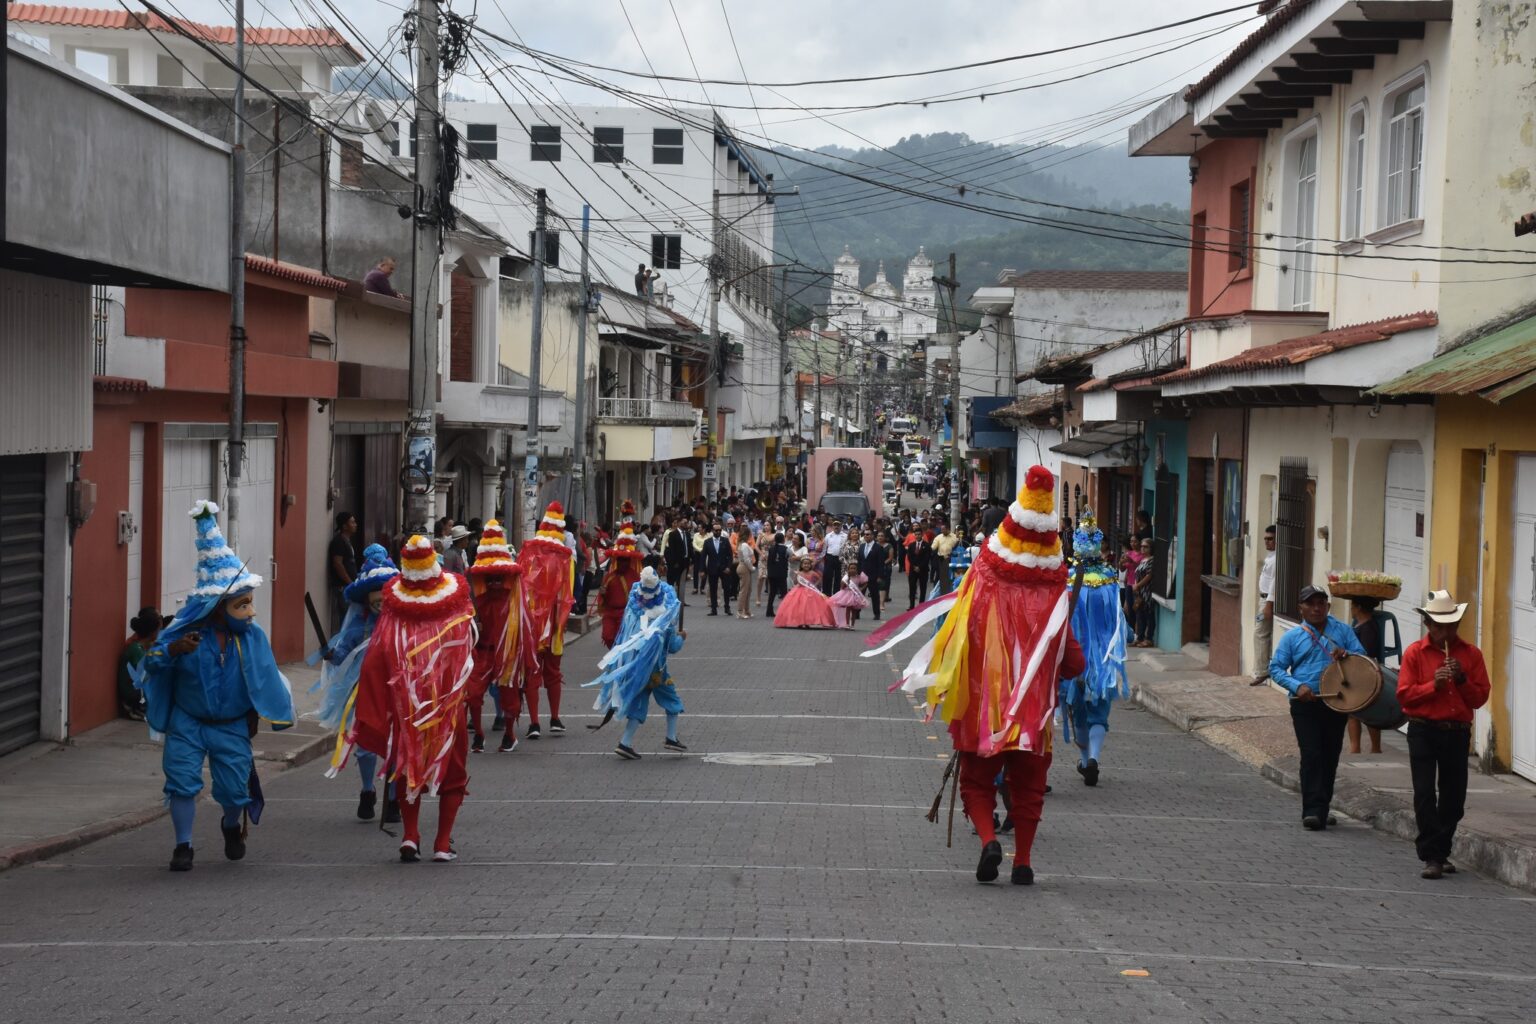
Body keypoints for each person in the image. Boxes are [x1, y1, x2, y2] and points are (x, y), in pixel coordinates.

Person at [865, 466, 1086, 886]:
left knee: (977, 784)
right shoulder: (1055, 602)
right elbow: (1075, 664)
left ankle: (988, 840)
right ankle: (1022, 861)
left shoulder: (979, 590)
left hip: (981, 712)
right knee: (1029, 791)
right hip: (1032, 721)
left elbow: (953, 645)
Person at [135, 500, 295, 872]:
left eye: (251, 603)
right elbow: (151, 665)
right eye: (242, 605)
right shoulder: (185, 634)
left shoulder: (252, 638)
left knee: (234, 791)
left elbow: (264, 677)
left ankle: (229, 826)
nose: (251, 612)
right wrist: (173, 650)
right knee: (181, 782)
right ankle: (183, 846)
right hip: (187, 722)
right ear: (218, 608)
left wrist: (261, 714)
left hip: (231, 724)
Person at [349, 535, 477, 862]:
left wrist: (379, 699)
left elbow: (378, 656)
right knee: (454, 770)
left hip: (406, 705)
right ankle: (443, 843)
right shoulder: (456, 600)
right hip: (448, 705)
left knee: (408, 767)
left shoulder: (394, 606)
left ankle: (410, 836)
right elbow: (465, 650)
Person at [1397, 590, 1490, 880]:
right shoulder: (1415, 653)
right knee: (1424, 793)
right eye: (1440, 626)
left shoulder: (1471, 654)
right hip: (1423, 729)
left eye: (1452, 626)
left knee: (1453, 798)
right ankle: (1433, 856)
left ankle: (1440, 850)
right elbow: (1404, 697)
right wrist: (1431, 686)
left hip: (1456, 731)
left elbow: (1479, 698)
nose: (1446, 633)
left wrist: (1461, 679)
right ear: (1428, 625)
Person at [312, 544, 399, 820]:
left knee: (397, 742)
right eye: (375, 596)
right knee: (365, 745)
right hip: (362, 690)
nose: (380, 602)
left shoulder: (404, 625)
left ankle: (394, 799)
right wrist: (332, 655)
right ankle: (367, 790)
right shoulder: (358, 626)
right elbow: (342, 654)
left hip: (396, 690)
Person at [1269, 585, 1366, 831]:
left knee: (1329, 756)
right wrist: (1297, 686)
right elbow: (1276, 668)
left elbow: (1363, 660)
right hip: (1305, 703)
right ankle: (1312, 810)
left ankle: (1322, 807)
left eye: (1321, 603)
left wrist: (1347, 656)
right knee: (1311, 754)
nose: (1316, 608)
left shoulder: (1343, 631)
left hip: (1336, 702)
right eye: (1310, 604)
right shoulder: (1292, 637)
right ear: (1300, 608)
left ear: (1328, 606)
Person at [586, 564, 687, 759]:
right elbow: (672, 646)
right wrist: (682, 637)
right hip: (657, 671)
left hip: (638, 669)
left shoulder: (634, 612)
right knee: (672, 700)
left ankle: (625, 743)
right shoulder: (662, 620)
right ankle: (671, 737)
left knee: (638, 704)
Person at [1058, 512, 1128, 787]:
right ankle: (1093, 759)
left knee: (1078, 711)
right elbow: (1119, 619)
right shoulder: (1111, 580)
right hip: (1103, 659)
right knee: (1100, 710)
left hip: (1074, 657)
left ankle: (1086, 758)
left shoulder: (1067, 579)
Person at [466, 521, 531, 754]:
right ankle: (479, 735)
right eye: (488, 576)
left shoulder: (514, 601)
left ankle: (510, 734)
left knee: (509, 695)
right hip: (482, 651)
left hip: (507, 652)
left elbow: (524, 630)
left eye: (497, 576)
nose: (493, 581)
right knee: (472, 693)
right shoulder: (476, 600)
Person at [517, 502, 576, 740]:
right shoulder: (565, 559)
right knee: (551, 672)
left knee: (535, 671)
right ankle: (552, 718)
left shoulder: (528, 556)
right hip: (550, 627)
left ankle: (535, 722)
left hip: (536, 625)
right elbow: (568, 596)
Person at [599, 515, 644, 647]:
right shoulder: (609, 576)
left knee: (624, 641)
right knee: (608, 636)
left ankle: (619, 663)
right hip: (610, 613)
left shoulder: (635, 577)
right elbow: (603, 598)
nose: (622, 563)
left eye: (625, 560)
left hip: (627, 614)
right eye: (620, 560)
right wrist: (602, 593)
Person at [1348, 596, 1385, 754]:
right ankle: (1357, 748)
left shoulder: (1368, 628)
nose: (1351, 609)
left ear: (1359, 608)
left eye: (1352, 605)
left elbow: (1366, 654)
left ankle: (1368, 748)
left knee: (1361, 712)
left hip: (1364, 672)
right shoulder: (1362, 625)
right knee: (1356, 711)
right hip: (1361, 671)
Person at [118, 607, 162, 720]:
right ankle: (138, 708)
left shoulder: (140, 647)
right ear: (152, 632)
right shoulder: (136, 650)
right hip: (133, 695)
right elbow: (147, 675)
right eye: (158, 629)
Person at [773, 558, 837, 629]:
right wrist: (796, 576)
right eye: (804, 564)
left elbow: (820, 578)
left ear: (810, 565)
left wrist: (815, 584)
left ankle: (807, 622)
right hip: (799, 590)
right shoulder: (799, 573)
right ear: (801, 565)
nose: (806, 565)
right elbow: (795, 582)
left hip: (810, 591)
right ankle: (799, 622)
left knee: (808, 608)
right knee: (798, 607)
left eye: (808, 564)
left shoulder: (812, 573)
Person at [1252, 524, 1278, 683]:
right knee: (1260, 630)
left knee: (1260, 633)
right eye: (1265, 539)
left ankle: (1262, 671)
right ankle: (1263, 668)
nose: (1267, 542)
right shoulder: (1271, 556)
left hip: (1267, 600)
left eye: (1270, 539)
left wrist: (1269, 604)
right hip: (1263, 599)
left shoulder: (1276, 559)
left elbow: (1275, 582)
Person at [328, 511, 358, 631]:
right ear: (344, 526)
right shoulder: (339, 541)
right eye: (352, 522)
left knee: (349, 617)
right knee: (345, 618)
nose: (355, 524)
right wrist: (349, 582)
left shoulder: (346, 541)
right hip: (342, 587)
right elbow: (338, 563)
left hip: (347, 586)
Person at [703, 521, 734, 616]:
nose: (718, 532)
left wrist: (729, 567)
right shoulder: (707, 542)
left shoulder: (725, 540)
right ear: (712, 531)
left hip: (724, 568)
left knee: (727, 588)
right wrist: (702, 570)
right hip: (712, 569)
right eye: (716, 530)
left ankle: (727, 607)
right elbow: (703, 557)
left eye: (720, 530)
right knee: (713, 589)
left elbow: (730, 555)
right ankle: (713, 609)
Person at [857, 527, 887, 621]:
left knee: (874, 595)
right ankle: (857, 613)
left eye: (868, 534)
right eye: (865, 534)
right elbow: (859, 561)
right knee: (860, 595)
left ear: (873, 536)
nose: (866, 536)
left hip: (873, 576)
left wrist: (880, 576)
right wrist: (858, 573)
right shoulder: (862, 546)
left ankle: (876, 614)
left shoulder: (878, 548)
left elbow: (881, 563)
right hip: (862, 575)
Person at [828, 564, 870, 629]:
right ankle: (847, 624)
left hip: (855, 595)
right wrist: (845, 583)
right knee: (848, 609)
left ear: (857, 569)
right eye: (851, 568)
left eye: (854, 568)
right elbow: (842, 587)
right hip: (847, 595)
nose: (852, 570)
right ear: (848, 569)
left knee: (854, 611)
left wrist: (861, 588)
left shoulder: (858, 577)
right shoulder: (846, 577)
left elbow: (865, 583)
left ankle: (852, 625)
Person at [1132, 539, 1156, 647]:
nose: (1143, 548)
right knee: (1140, 615)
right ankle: (1140, 637)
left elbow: (1149, 575)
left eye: (1146, 547)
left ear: (1151, 548)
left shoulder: (1151, 560)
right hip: (1139, 592)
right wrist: (1136, 585)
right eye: (1142, 546)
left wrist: (1138, 585)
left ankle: (1149, 638)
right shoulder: (1142, 560)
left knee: (1149, 614)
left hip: (1147, 592)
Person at [662, 516, 691, 598]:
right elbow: (672, 549)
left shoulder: (687, 534)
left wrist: (691, 560)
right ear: (679, 523)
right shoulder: (672, 534)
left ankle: (681, 598)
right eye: (684, 522)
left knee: (682, 582)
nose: (686, 524)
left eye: (687, 523)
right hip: (676, 562)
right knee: (672, 580)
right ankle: (670, 598)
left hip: (685, 561)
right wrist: (674, 562)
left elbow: (689, 547)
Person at [763, 531, 790, 616]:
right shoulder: (786, 549)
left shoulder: (771, 549)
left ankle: (769, 610)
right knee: (784, 593)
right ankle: (785, 611)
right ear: (783, 540)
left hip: (772, 573)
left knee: (772, 593)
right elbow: (790, 556)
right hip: (781, 574)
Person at [735, 526, 757, 619]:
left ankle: (746, 610)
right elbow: (746, 559)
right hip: (744, 567)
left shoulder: (742, 544)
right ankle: (740, 611)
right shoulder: (744, 545)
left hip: (744, 567)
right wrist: (751, 568)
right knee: (744, 590)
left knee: (748, 590)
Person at [822, 521, 847, 597]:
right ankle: (827, 594)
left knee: (838, 577)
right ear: (832, 526)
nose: (836, 527)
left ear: (841, 526)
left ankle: (836, 595)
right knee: (827, 576)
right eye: (835, 525)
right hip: (830, 557)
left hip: (840, 558)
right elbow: (824, 548)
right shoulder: (828, 536)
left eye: (838, 525)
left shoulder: (845, 536)